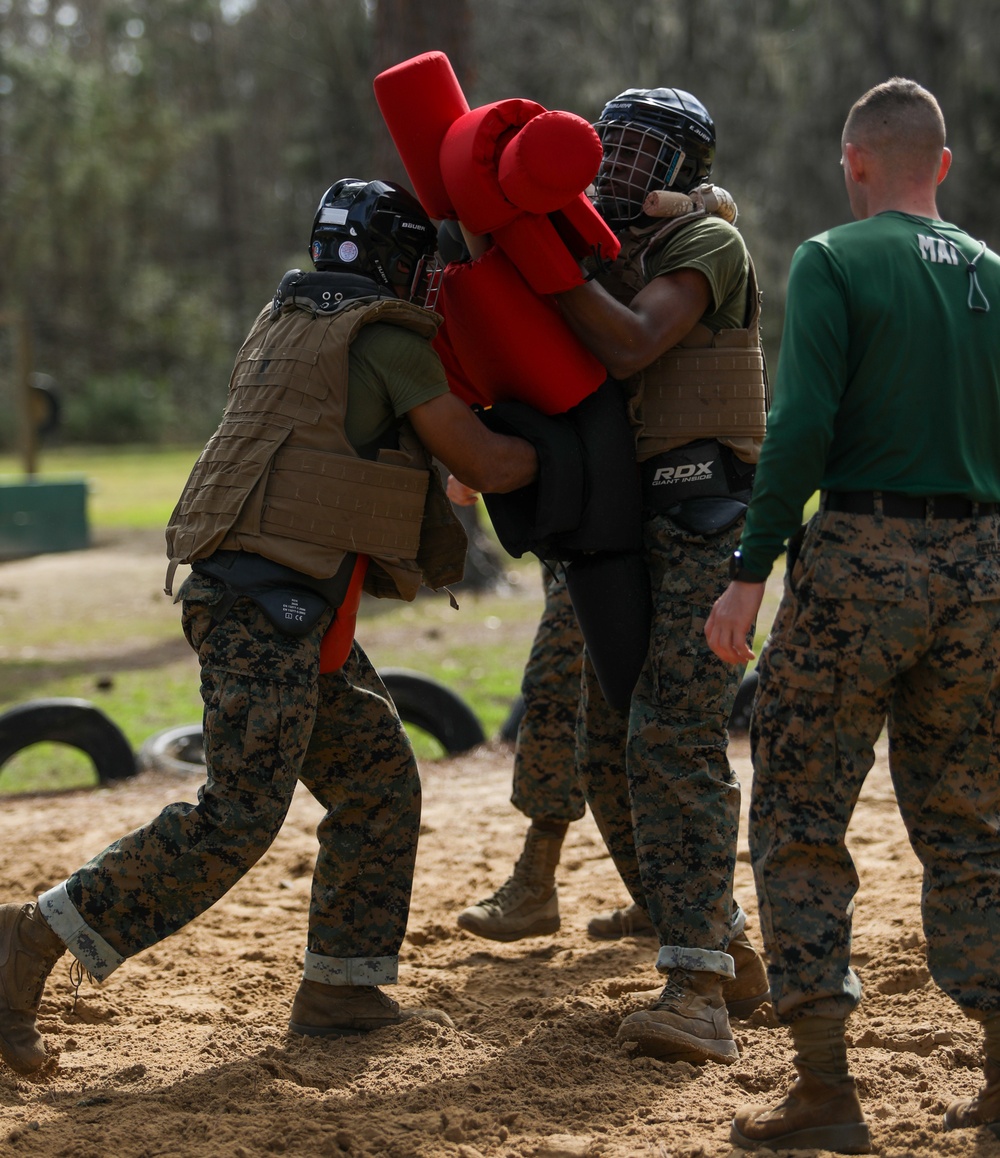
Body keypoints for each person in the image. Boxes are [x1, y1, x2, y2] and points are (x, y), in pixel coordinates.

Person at [0, 177, 539, 1077]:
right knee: (238, 815)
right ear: (396, 262)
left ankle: (342, 989)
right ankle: (27, 942)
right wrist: (578, 442)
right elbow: (483, 462)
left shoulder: (287, 318)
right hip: (266, 605)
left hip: (272, 598)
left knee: (376, 781)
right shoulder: (383, 338)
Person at [705, 77, 1000, 1151]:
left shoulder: (832, 258)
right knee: (968, 822)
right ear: (945, 165)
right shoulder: (993, 275)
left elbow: (803, 426)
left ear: (852, 163)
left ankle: (826, 1091)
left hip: (861, 564)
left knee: (796, 816)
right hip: (980, 565)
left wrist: (751, 566)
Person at [494, 86, 771, 1066]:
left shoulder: (705, 248)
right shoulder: (595, 255)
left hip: (705, 521)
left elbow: (630, 341)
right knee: (607, 746)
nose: (613, 162)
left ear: (682, 172)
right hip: (620, 528)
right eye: (605, 142)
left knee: (671, 735)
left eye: (640, 150)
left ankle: (695, 989)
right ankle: (723, 943)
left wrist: (540, 262)